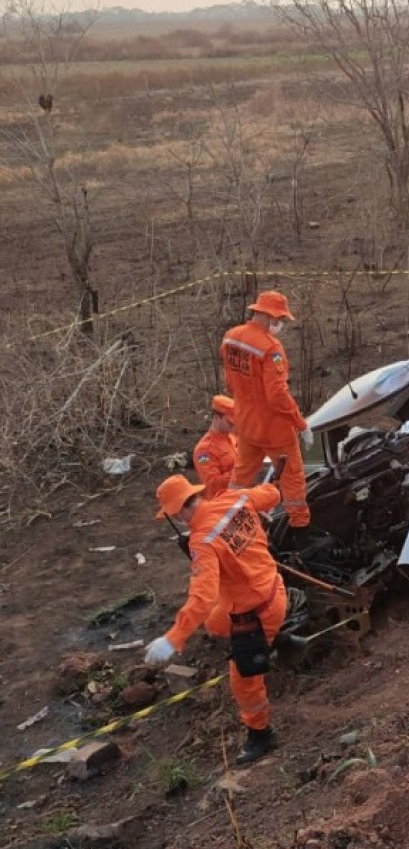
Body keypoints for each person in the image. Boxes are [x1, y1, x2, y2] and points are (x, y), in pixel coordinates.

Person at [144, 474, 287, 766]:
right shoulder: (235, 498)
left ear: (181, 511)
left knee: (243, 682)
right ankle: (274, 638)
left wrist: (174, 638)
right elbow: (272, 493)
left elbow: (203, 595)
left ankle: (261, 734)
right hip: (274, 586)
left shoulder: (203, 542)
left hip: (259, 612)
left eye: (174, 516)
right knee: (214, 622)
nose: (178, 522)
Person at [220, 289, 313, 532]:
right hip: (274, 428)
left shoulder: (231, 337)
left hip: (245, 423)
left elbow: (230, 383)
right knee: (292, 478)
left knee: (240, 478)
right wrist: (300, 423)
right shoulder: (271, 348)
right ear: (270, 317)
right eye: (280, 320)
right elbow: (277, 395)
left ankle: (227, 520)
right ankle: (299, 526)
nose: (281, 324)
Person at [192, 394, 237, 500]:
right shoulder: (204, 451)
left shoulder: (232, 436)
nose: (234, 426)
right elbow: (213, 484)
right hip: (221, 504)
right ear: (217, 418)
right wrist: (241, 471)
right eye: (230, 423)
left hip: (239, 495)